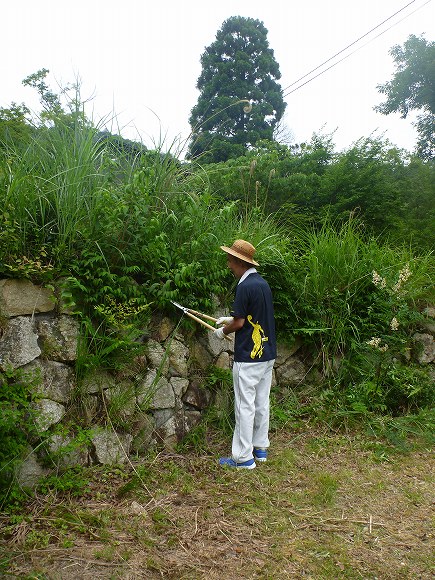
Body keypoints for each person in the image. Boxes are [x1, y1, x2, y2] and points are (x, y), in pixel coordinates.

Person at [214, 239, 276, 469]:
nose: (228, 264)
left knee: (244, 406)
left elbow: (240, 324)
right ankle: (260, 448)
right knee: (261, 403)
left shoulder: (243, 286)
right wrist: (229, 319)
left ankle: (242, 458)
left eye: (230, 260)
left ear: (239, 261)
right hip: (267, 354)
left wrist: (223, 331)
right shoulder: (261, 284)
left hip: (248, 357)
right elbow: (251, 317)